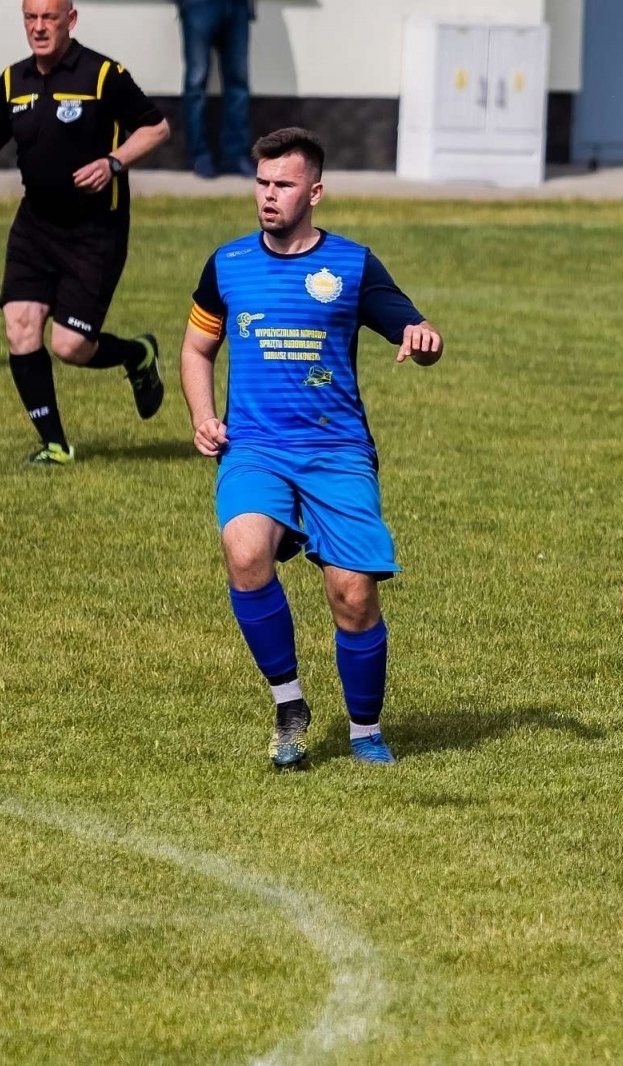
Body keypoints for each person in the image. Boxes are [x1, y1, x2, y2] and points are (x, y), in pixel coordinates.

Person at [180, 127, 444, 769]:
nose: (269, 197)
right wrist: (203, 416)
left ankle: (364, 730)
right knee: (244, 550)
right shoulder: (228, 264)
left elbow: (407, 319)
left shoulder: (352, 265)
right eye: (263, 184)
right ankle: (288, 701)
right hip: (255, 448)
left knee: (351, 593)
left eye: (284, 185)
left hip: (337, 452)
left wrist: (421, 335)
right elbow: (196, 349)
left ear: (315, 192)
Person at [0, 0, 172, 466]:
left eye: (48, 18)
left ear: (69, 20)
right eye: (30, 18)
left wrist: (113, 163)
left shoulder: (102, 75)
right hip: (35, 228)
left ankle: (137, 354)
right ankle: (54, 444)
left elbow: (156, 128)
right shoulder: (13, 81)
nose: (38, 28)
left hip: (96, 231)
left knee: (70, 346)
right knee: (20, 327)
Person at [174, 0, 254, 178]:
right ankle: (199, 155)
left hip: (237, 6)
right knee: (196, 82)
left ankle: (235, 155)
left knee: (238, 84)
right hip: (198, 5)